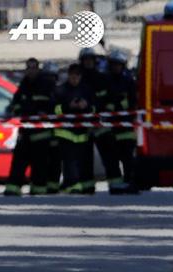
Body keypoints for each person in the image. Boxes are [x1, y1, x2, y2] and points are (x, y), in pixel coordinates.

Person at [4, 58, 56, 196]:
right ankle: (13, 188)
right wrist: (16, 110)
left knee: (40, 164)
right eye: (29, 68)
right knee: (18, 162)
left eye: (33, 68)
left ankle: (38, 190)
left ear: (38, 69)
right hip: (25, 131)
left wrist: (40, 111)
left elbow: (52, 105)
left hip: (41, 133)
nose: (31, 71)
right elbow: (15, 103)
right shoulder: (24, 84)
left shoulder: (46, 84)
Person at [101, 49, 138, 194]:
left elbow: (133, 102)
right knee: (111, 160)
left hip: (126, 127)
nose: (116, 67)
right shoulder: (106, 80)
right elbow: (102, 100)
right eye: (113, 64)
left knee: (128, 159)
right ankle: (115, 186)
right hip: (110, 128)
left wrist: (118, 104)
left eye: (118, 64)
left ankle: (130, 184)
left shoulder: (128, 81)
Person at [54, 63, 94, 194]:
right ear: (68, 75)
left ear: (80, 76)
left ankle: (87, 186)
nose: (74, 78)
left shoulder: (86, 90)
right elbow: (55, 109)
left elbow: (95, 108)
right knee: (69, 161)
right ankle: (72, 185)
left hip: (83, 133)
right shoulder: (61, 90)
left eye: (77, 76)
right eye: (72, 75)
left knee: (85, 161)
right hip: (66, 132)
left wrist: (86, 106)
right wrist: (68, 106)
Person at [77, 47, 108, 194]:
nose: (88, 62)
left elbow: (106, 100)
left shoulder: (102, 78)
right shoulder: (78, 80)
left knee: (109, 156)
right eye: (86, 60)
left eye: (91, 60)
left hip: (101, 123)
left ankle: (116, 185)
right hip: (83, 124)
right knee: (85, 157)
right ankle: (87, 186)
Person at [41, 61, 62, 194]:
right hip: (41, 135)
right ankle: (41, 185)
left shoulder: (59, 92)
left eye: (51, 77)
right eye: (47, 77)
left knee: (55, 162)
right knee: (42, 162)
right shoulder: (39, 91)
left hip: (57, 134)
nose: (49, 80)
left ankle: (53, 187)